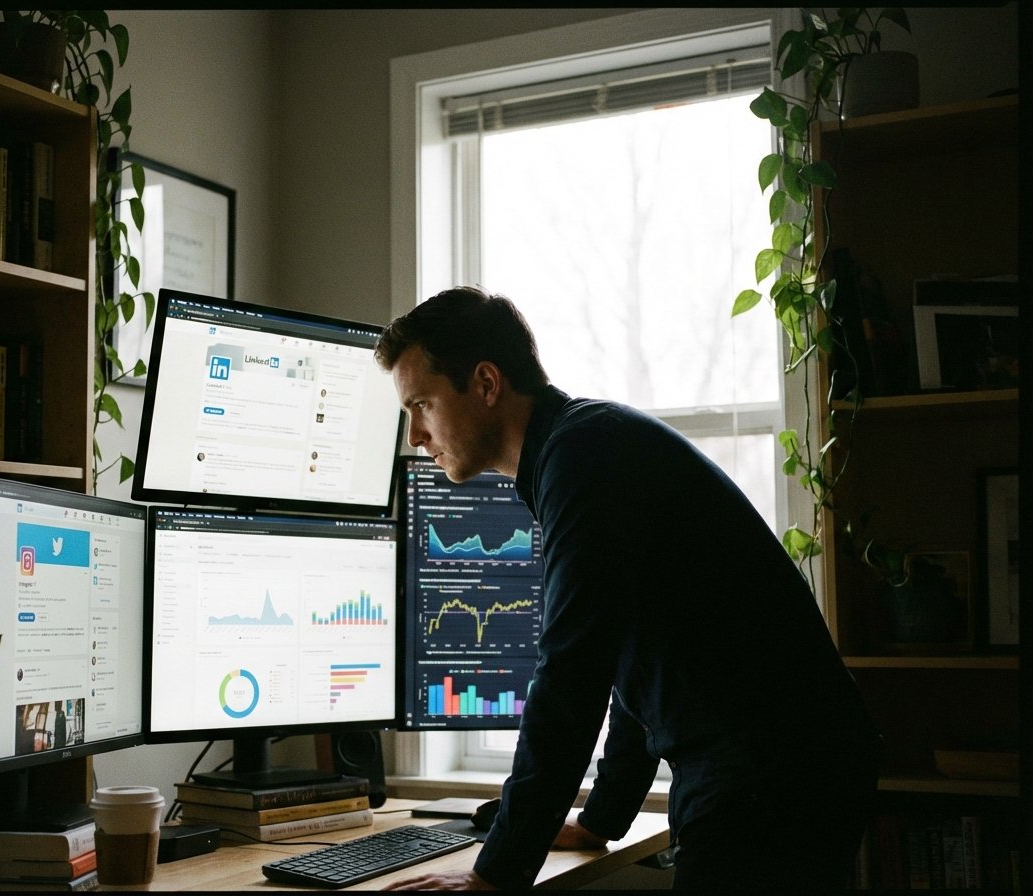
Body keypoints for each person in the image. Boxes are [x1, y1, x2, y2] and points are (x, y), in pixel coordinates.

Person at [374, 287, 881, 891]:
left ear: (486, 384)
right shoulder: (581, 448)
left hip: (770, 775)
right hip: (782, 763)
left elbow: (572, 673)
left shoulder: (582, 458)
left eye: (423, 405)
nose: (415, 436)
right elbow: (628, 651)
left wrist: (496, 875)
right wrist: (600, 819)